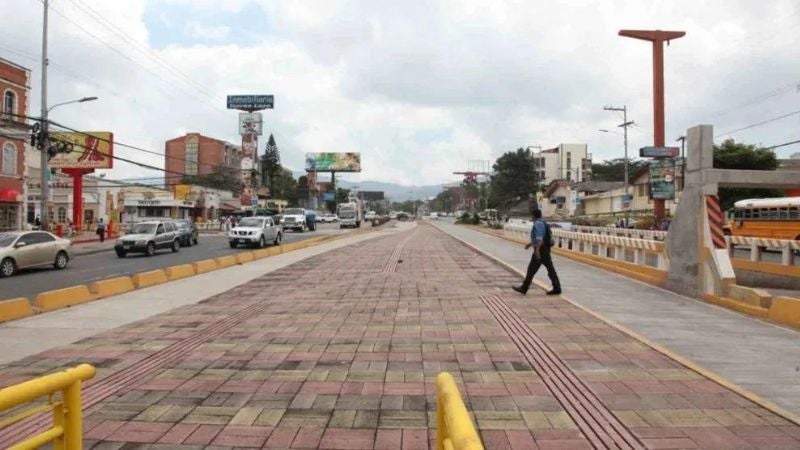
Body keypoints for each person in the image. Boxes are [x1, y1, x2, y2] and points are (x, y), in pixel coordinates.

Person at [513, 209, 562, 296]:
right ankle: (557, 288)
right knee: (550, 269)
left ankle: (524, 288)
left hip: (541, 250)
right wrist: (530, 244)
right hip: (545, 249)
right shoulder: (542, 222)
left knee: (531, 269)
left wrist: (537, 250)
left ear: (533, 215)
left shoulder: (538, 223)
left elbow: (539, 238)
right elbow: (540, 238)